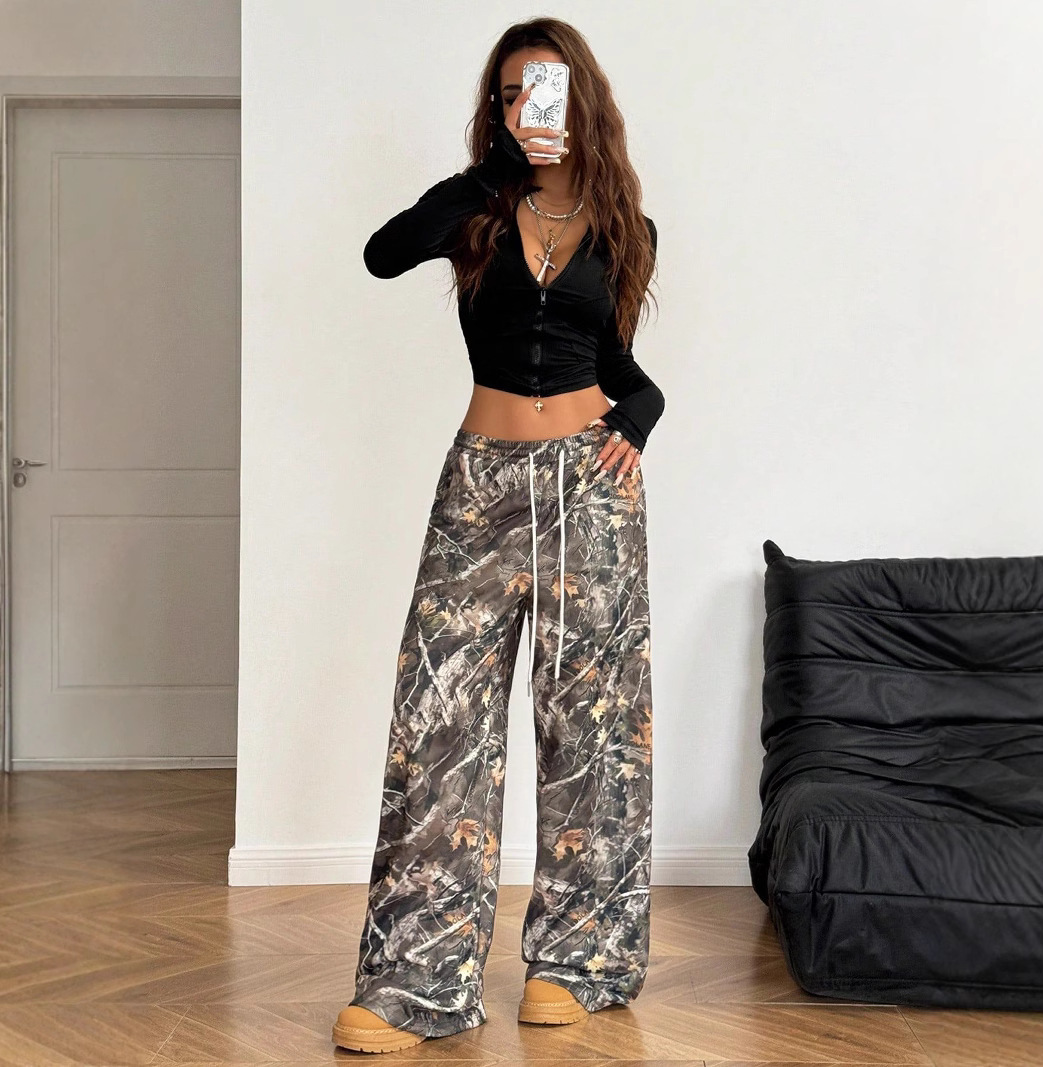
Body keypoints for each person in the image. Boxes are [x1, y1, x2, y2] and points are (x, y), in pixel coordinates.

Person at [332, 16, 664, 1055]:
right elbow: (382, 253)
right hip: (480, 482)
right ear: (497, 107)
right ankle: (415, 977)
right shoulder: (474, 210)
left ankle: (580, 959)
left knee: (591, 726)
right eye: (513, 92)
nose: (530, 107)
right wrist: (492, 171)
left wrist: (639, 419)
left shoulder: (625, 227)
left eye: (547, 89)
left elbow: (619, 368)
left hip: (590, 485)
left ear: (582, 99)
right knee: (439, 721)